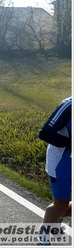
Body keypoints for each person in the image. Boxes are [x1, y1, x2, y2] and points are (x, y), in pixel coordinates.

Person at [37, 96, 71, 245]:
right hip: (61, 163)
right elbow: (45, 133)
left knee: (64, 208)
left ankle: (58, 218)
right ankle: (44, 233)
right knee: (61, 205)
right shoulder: (69, 104)